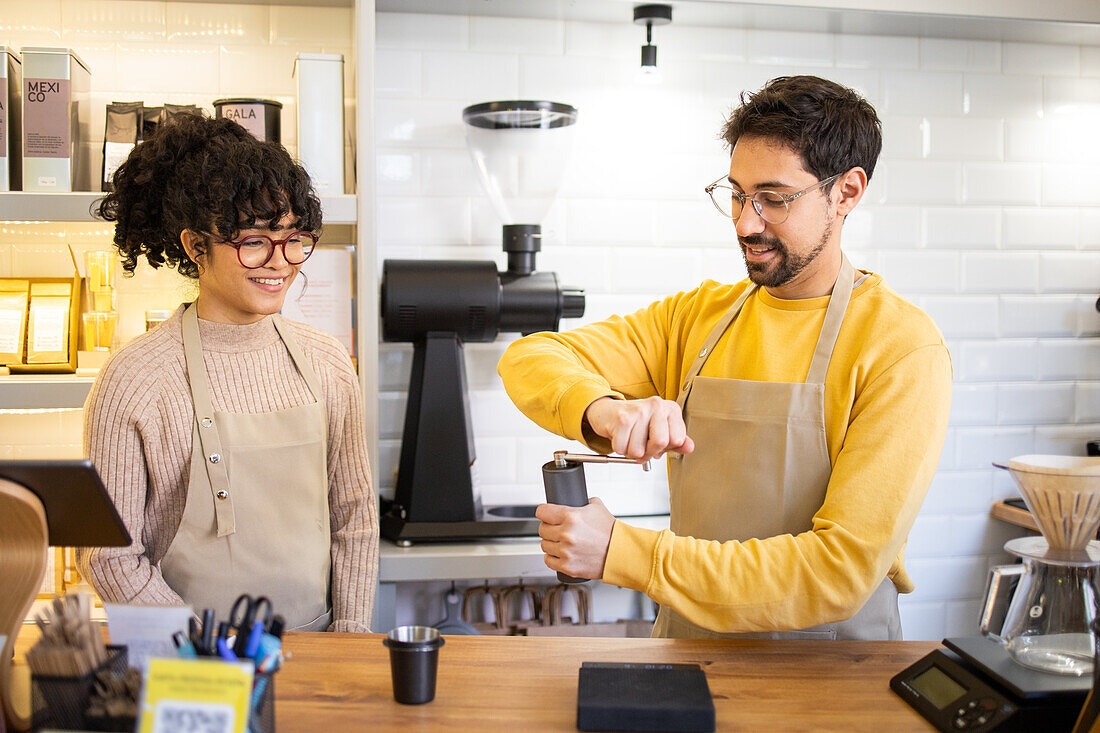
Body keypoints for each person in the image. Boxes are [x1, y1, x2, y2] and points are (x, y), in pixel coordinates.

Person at [498, 75, 952, 640]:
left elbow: (838, 572)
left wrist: (627, 554)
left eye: (775, 199)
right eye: (736, 193)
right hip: (690, 660)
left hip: (830, 687)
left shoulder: (900, 347)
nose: (744, 223)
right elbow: (531, 355)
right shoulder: (699, 318)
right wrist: (604, 410)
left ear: (847, 193)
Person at [77, 113, 379, 632]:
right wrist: (206, 657)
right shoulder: (135, 378)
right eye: (253, 241)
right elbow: (108, 554)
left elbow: (354, 518)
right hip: (189, 668)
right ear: (197, 247)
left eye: (292, 238)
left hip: (318, 649)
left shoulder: (327, 362)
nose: (279, 262)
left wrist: (347, 646)